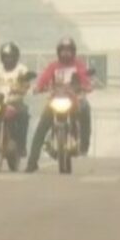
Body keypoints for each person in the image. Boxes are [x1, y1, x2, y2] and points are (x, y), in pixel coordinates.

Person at [25, 37, 92, 173]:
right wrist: (38, 88)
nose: (65, 54)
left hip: (74, 100)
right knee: (41, 127)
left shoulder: (79, 66)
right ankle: (32, 162)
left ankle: (84, 145)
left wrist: (86, 87)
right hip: (55, 100)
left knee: (85, 108)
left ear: (73, 52)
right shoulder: (53, 66)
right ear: (58, 52)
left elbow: (86, 80)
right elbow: (43, 80)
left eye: (68, 51)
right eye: (63, 51)